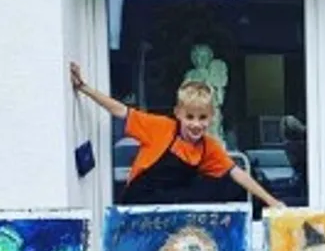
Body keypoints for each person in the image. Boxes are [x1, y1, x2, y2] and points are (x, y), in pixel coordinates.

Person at [69, 62, 285, 208]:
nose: (196, 124)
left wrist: (272, 202)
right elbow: (120, 110)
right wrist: (84, 88)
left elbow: (238, 173)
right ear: (178, 114)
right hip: (140, 203)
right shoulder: (160, 127)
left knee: (221, 186)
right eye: (190, 117)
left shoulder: (208, 147)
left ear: (211, 117)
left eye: (202, 118)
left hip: (173, 209)